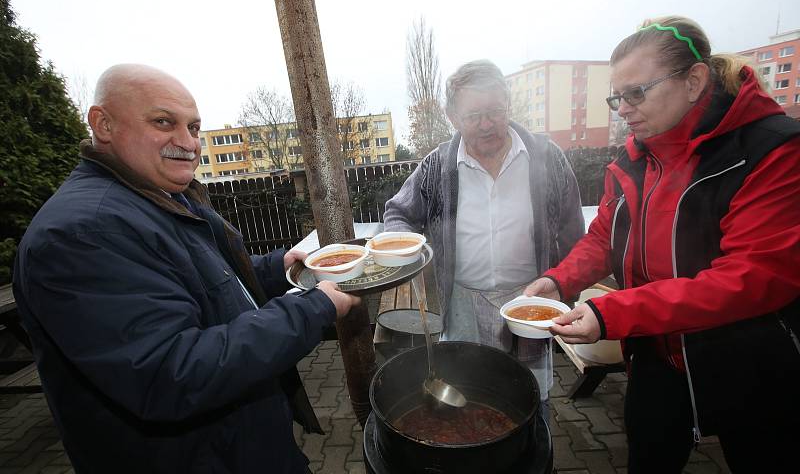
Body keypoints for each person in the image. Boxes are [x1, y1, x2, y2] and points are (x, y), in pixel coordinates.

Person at [12, 64, 360, 474]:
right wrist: (312, 308)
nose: (188, 143)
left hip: (241, 446)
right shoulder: (84, 231)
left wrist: (275, 269)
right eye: (164, 122)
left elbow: (199, 282)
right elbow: (171, 372)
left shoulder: (153, 196)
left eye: (194, 128)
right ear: (102, 124)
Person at [525, 16, 800, 472]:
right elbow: (603, 237)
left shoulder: (769, 151)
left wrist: (614, 313)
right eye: (618, 97)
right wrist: (558, 281)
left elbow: (753, 276)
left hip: (749, 359)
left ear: (694, 81)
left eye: (638, 92)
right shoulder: (635, 158)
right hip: (655, 352)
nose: (624, 109)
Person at [384, 59, 585, 420]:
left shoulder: (547, 158)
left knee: (530, 400)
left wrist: (564, 292)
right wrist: (405, 246)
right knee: (469, 400)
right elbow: (398, 213)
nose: (487, 124)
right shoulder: (438, 166)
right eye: (474, 115)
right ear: (453, 116)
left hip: (529, 303)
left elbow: (573, 232)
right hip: (462, 304)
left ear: (509, 104)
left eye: (495, 111)